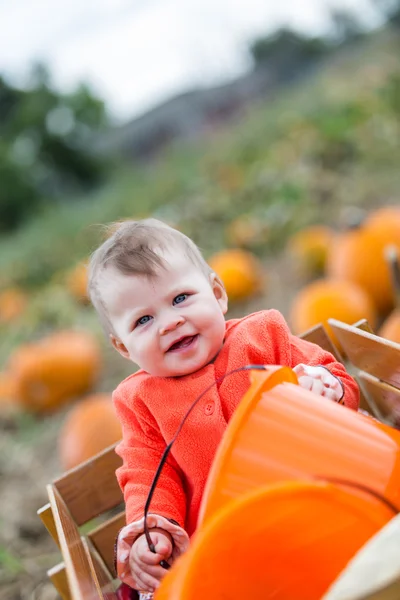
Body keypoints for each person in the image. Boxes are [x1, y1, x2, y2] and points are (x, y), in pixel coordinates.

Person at [87, 218, 359, 597]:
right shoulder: (139, 402)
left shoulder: (265, 336)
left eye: (180, 299)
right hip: (225, 543)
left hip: (316, 499)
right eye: (144, 320)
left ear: (217, 294)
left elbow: (339, 379)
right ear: (123, 348)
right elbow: (148, 475)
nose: (170, 322)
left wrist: (327, 389)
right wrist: (156, 527)